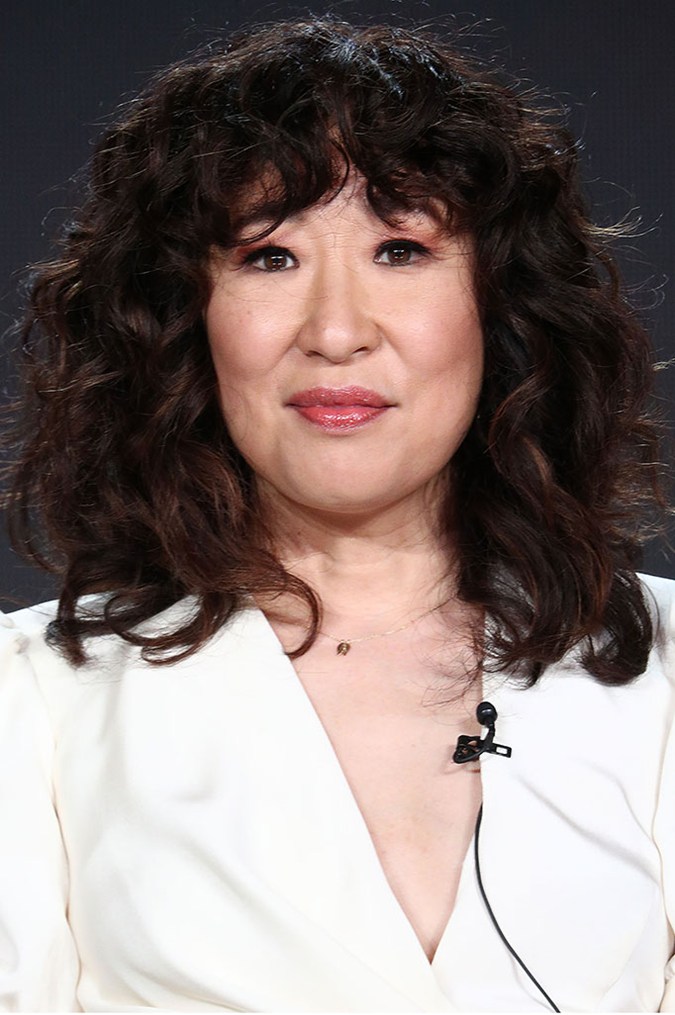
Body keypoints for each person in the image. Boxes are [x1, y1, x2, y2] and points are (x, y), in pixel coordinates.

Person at [1, 15, 673, 1013]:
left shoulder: (662, 670)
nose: (337, 331)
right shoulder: (34, 699)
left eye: (401, 249)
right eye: (270, 257)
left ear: (499, 305)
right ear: (186, 316)